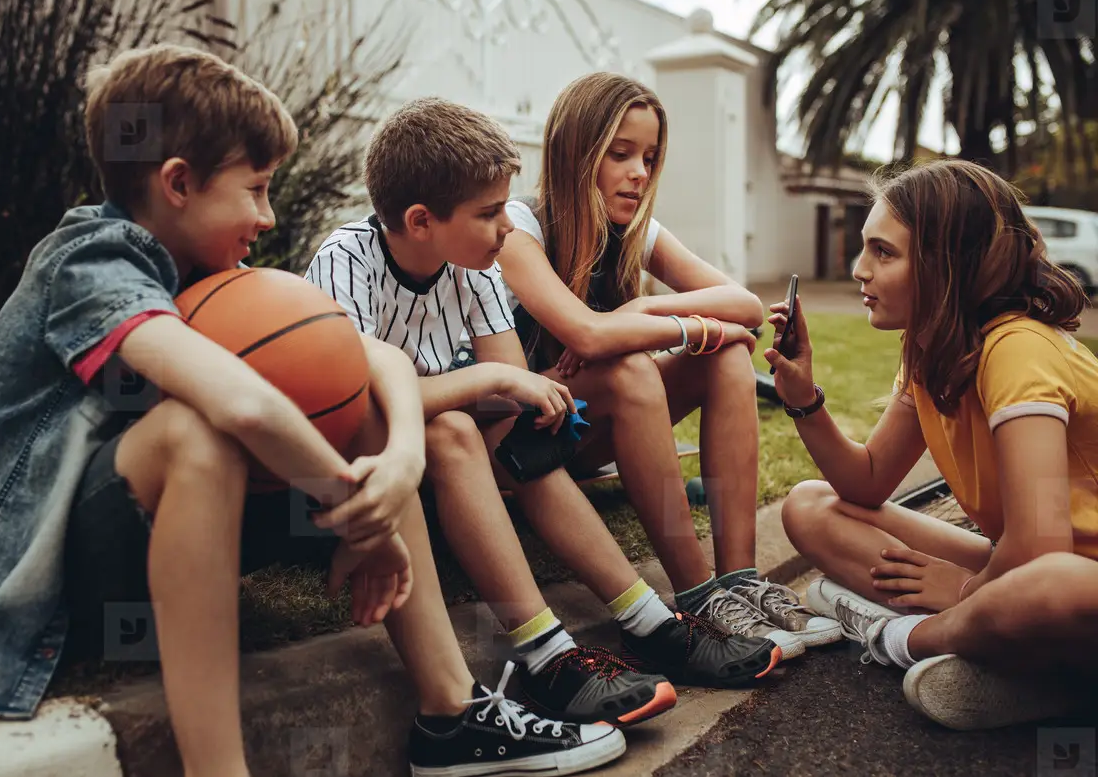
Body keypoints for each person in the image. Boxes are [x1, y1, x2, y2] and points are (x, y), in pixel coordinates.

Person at [0, 45, 625, 777]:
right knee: (201, 432)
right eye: (256, 189)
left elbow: (371, 360)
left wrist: (398, 465)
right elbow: (238, 399)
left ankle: (452, 717)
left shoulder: (213, 268)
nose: (267, 214)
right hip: (54, 565)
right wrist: (356, 506)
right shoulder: (93, 261)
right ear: (179, 183)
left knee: (364, 408)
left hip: (157, 541)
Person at [307, 97, 782, 723]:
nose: (508, 224)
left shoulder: (469, 266)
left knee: (519, 430)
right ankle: (546, 653)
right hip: (372, 465)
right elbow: (355, 401)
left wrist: (532, 392)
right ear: (421, 220)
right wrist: (497, 380)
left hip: (464, 457)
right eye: (489, 212)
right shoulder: (347, 258)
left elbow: (508, 393)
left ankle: (650, 621)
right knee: (454, 428)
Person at [496, 72, 841, 656]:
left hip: (591, 427)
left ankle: (738, 580)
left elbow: (746, 307)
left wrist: (645, 304)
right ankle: (696, 594)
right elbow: (587, 333)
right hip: (524, 444)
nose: (639, 172)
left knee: (728, 353)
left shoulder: (635, 230)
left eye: (650, 157)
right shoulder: (516, 227)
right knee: (635, 366)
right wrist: (642, 327)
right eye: (620, 153)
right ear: (574, 152)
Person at [771, 158, 1098, 730]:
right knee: (810, 504)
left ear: (948, 264)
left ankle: (902, 636)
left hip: (1062, 580)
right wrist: (804, 397)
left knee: (1052, 585)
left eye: (884, 252)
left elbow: (1042, 548)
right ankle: (1033, 671)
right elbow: (865, 482)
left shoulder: (1017, 347)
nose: (859, 269)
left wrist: (966, 588)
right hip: (1023, 570)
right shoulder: (933, 351)